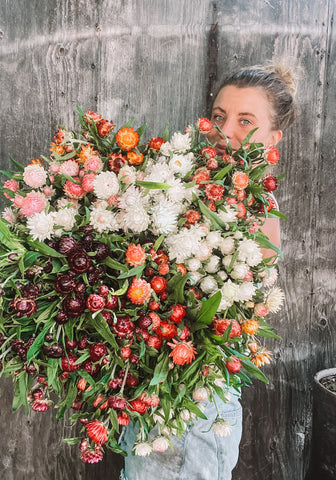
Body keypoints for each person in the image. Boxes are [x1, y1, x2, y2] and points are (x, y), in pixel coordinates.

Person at [120, 63, 298, 480]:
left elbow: (226, 323)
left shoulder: (253, 214)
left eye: (245, 120)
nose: (225, 129)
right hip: (153, 395)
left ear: (273, 140)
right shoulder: (188, 187)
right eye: (219, 116)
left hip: (193, 408)